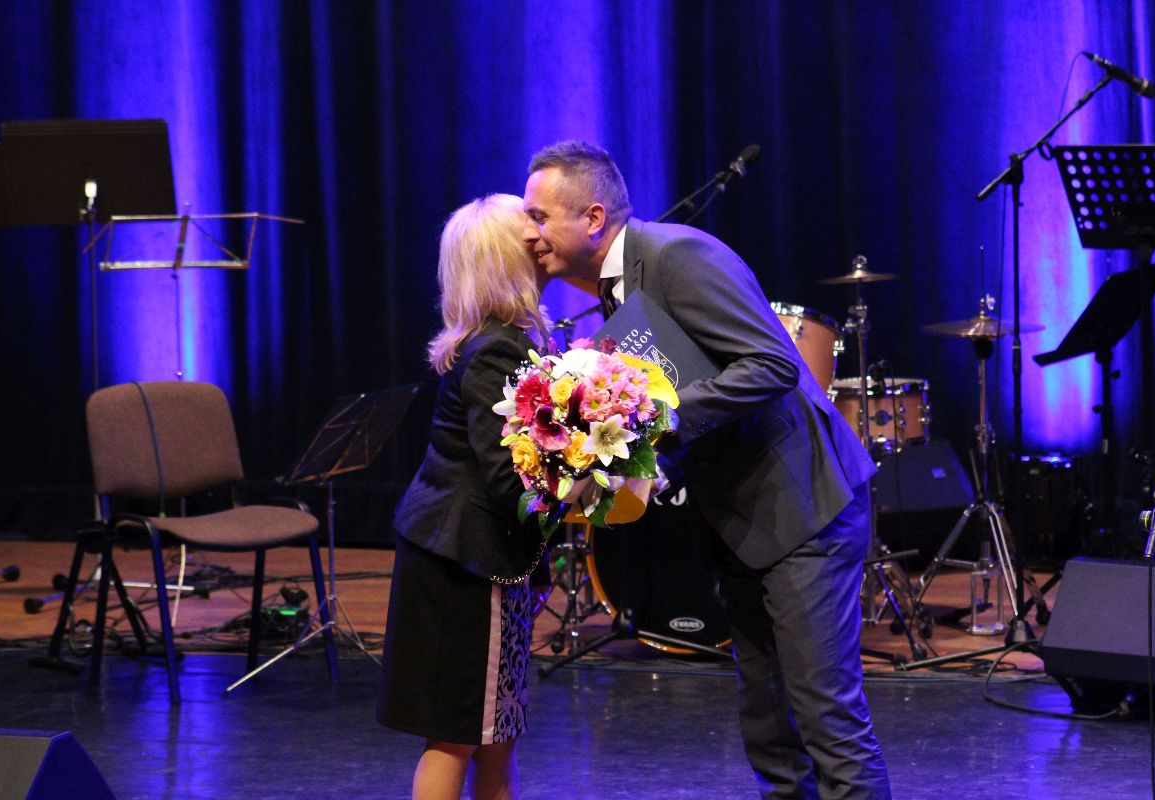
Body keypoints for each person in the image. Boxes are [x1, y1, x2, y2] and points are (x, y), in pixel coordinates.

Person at [521, 140, 892, 799]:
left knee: (827, 721)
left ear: (593, 218)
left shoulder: (676, 256)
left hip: (804, 507)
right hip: (746, 520)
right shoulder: (617, 288)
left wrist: (651, 422)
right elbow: (691, 384)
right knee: (770, 727)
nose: (529, 233)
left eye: (539, 216)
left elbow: (773, 366)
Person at [377, 193, 551, 800]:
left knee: (496, 730)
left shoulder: (501, 339)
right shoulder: (496, 348)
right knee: (458, 733)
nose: (542, 242)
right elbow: (507, 478)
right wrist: (583, 488)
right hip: (465, 560)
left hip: (472, 556)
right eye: (531, 232)